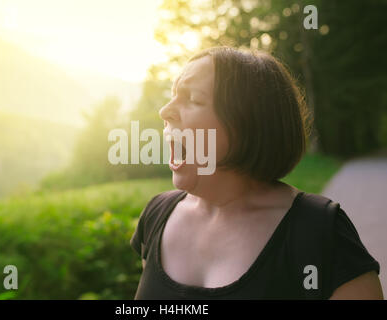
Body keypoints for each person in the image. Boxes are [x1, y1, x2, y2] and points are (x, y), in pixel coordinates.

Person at [130, 46, 383, 299]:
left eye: (193, 99)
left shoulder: (320, 233)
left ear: (247, 124)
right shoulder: (156, 216)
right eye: (173, 96)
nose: (165, 111)